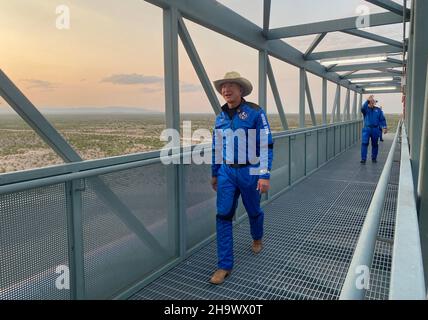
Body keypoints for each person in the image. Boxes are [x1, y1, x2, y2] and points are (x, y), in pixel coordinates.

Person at [209, 71, 274, 285]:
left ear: (240, 90)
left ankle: (257, 236)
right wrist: (214, 172)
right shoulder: (220, 117)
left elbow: (265, 144)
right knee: (223, 216)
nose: (226, 90)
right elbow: (217, 146)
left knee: (254, 210)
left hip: (250, 171)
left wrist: (264, 174)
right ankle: (224, 265)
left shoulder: (255, 112)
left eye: (231, 86)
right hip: (226, 172)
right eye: (223, 86)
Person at [360, 95, 387, 164]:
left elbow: (382, 119)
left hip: (375, 129)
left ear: (375, 103)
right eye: (371, 102)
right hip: (367, 129)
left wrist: (384, 127)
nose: (372, 103)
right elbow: (362, 108)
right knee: (364, 143)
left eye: (373, 102)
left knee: (375, 144)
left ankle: (374, 158)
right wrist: (367, 100)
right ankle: (363, 159)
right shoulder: (365, 110)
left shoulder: (378, 110)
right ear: (369, 102)